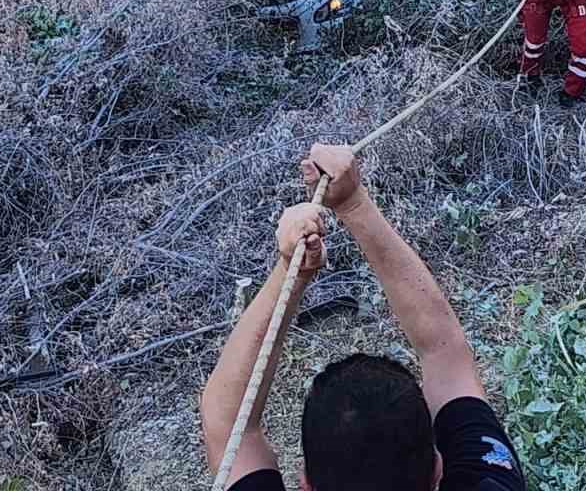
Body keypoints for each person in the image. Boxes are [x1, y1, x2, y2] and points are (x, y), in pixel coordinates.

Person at [201, 142, 526, 491]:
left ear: (307, 485)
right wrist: (353, 202)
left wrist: (290, 273)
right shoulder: (488, 482)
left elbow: (227, 422)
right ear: (438, 470)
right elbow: (445, 355)